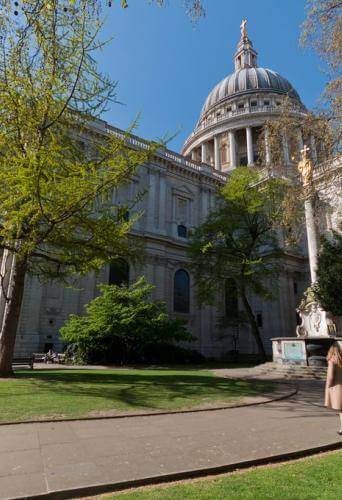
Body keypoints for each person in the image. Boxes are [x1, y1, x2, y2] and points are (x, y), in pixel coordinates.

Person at [325, 343, 342, 434]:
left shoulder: (332, 360)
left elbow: (331, 376)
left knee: (341, 410)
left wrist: (328, 386)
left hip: (337, 387)